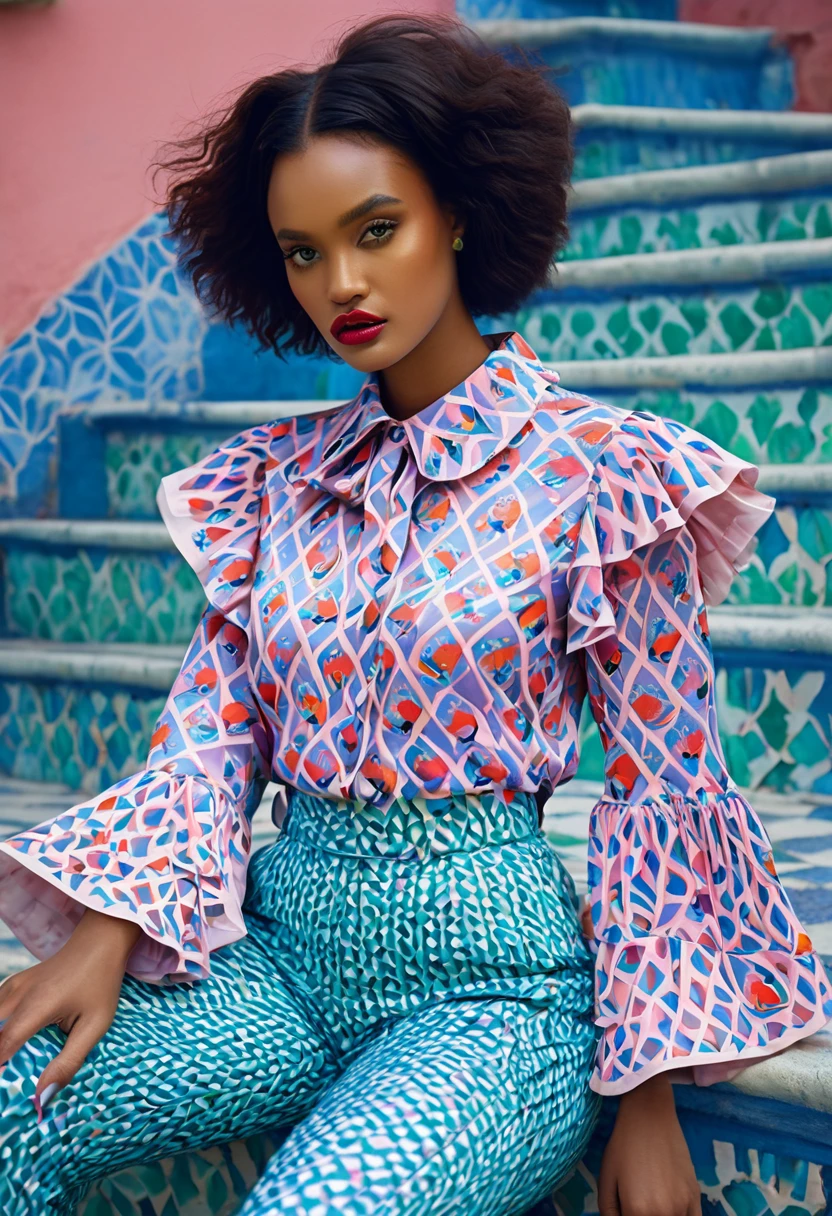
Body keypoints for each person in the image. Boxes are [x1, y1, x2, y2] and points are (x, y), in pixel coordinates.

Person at [0, 11, 829, 1216]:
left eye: (375, 230)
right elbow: (209, 736)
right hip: (279, 963)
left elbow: (668, 780)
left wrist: (647, 1097)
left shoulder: (602, 474)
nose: (342, 284)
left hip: (488, 999)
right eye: (302, 251)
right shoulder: (273, 484)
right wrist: (105, 932)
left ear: (454, 211)